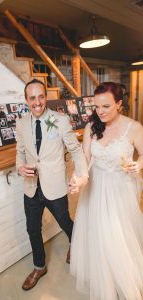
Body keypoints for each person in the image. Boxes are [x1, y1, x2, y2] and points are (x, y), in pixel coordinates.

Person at [69, 82, 143, 300]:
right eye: (97, 106)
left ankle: (124, 279)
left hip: (122, 190)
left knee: (119, 236)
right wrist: (79, 179)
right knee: (100, 235)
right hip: (96, 188)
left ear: (119, 104)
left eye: (106, 107)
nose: (100, 112)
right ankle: (106, 279)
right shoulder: (92, 127)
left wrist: (138, 165)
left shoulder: (134, 127)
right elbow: (85, 159)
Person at [16, 79, 88, 291]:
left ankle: (75, 244)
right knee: (32, 229)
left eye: (41, 96)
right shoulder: (20, 123)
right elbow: (19, 152)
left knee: (65, 221)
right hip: (31, 187)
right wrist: (20, 167)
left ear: (45, 97)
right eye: (32, 98)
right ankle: (39, 266)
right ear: (26, 100)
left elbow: (75, 150)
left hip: (54, 186)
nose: (37, 102)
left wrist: (81, 174)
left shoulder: (61, 120)